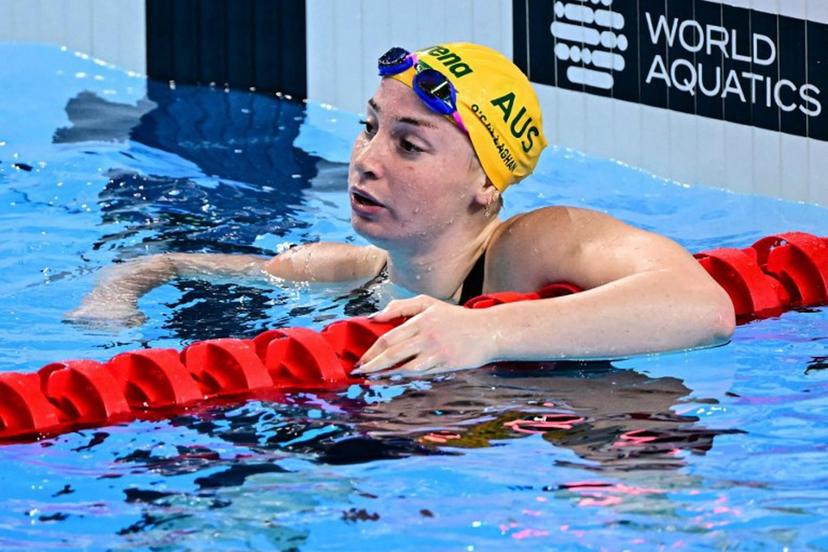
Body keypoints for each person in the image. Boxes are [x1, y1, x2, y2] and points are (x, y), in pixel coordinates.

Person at [67, 42, 735, 376]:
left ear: (486, 184)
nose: (366, 159)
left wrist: (489, 333)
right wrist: (116, 294)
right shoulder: (352, 270)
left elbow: (704, 308)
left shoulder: (535, 244)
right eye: (370, 125)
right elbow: (174, 261)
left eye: (409, 144)